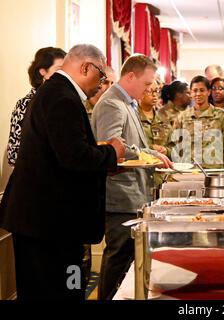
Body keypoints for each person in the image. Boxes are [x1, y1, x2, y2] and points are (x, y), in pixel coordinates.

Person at [0, 44, 125, 300]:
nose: (101, 85)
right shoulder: (61, 97)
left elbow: (60, 153)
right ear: (86, 67)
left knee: (66, 285)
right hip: (47, 223)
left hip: (49, 220)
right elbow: (73, 156)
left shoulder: (56, 92)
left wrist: (102, 163)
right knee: (57, 290)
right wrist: (112, 153)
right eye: (101, 77)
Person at [91, 54, 172, 300]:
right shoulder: (112, 103)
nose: (150, 89)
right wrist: (149, 157)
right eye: (147, 84)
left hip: (133, 193)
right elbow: (111, 147)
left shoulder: (127, 102)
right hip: (120, 195)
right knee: (119, 259)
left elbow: (132, 145)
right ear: (130, 76)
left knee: (126, 261)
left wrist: (149, 154)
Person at [7, 47, 66, 166]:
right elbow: (13, 154)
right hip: (34, 177)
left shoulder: (62, 100)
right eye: (59, 69)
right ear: (43, 71)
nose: (64, 75)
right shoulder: (26, 103)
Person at [170, 75, 224, 168]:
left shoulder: (221, 115)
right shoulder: (182, 117)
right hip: (189, 172)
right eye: (195, 90)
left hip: (214, 172)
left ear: (208, 92)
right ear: (191, 93)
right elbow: (175, 146)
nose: (198, 94)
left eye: (202, 90)